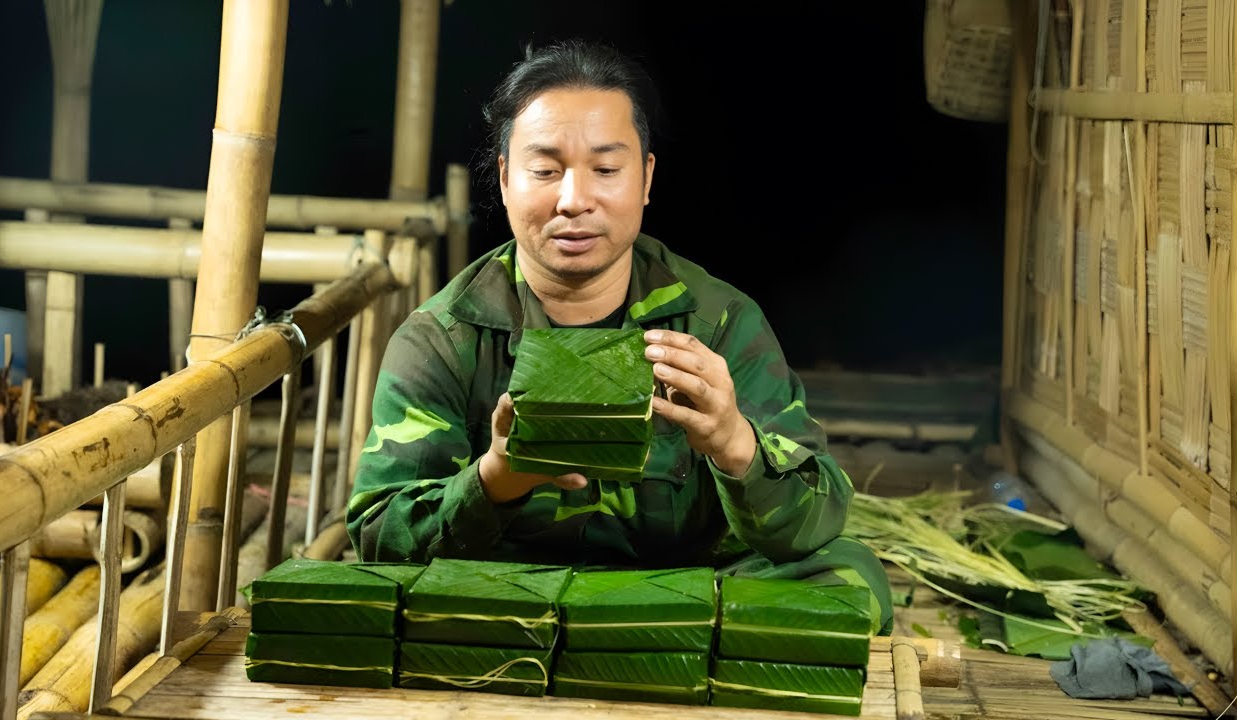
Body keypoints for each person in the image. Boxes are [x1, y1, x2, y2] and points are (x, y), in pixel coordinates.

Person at [346, 38, 892, 633]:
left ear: (646, 178)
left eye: (606, 170)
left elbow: (814, 523)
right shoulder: (443, 337)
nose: (575, 200)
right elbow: (380, 540)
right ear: (505, 179)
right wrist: (497, 477)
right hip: (512, 594)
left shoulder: (717, 322)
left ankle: (637, 637)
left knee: (851, 581)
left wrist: (735, 443)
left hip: (685, 589)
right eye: (545, 170)